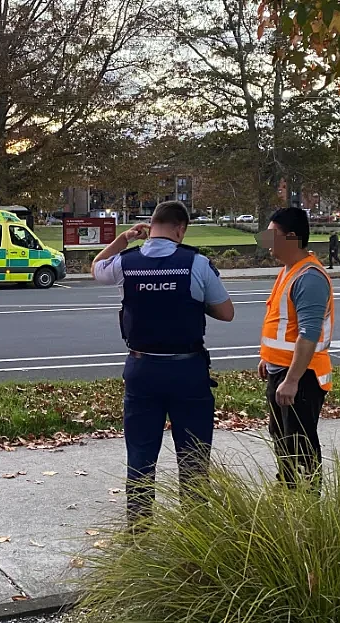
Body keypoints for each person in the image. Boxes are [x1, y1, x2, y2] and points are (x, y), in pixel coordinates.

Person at [92, 201, 235, 520]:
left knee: (141, 457)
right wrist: (193, 305)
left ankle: (139, 535)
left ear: (151, 224)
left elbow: (95, 267)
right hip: (188, 372)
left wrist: (124, 238)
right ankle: (197, 534)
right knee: (194, 458)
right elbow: (226, 313)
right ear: (181, 229)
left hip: (142, 370)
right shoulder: (196, 263)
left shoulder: (125, 264)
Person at [258, 208, 335, 493]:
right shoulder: (289, 272)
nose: (265, 240)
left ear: (291, 238)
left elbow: (309, 334)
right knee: (282, 438)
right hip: (283, 372)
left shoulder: (309, 277)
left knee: (300, 442)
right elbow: (281, 324)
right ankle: (288, 492)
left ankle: (307, 499)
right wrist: (268, 359)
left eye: (271, 235)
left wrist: (291, 379)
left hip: (302, 377)